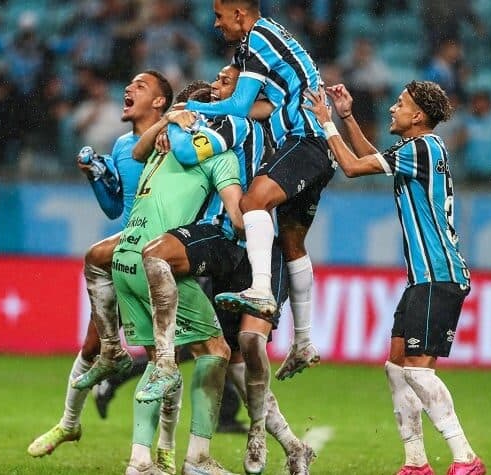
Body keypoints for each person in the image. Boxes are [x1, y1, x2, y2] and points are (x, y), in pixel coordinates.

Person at [133, 65, 315, 474]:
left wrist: (178, 119)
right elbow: (148, 151)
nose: (217, 88)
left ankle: (253, 431)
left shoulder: (241, 127)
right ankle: (289, 444)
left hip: (259, 250)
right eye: (215, 83)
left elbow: (189, 147)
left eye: (225, 83)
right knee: (229, 355)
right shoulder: (231, 127)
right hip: (227, 247)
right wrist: (173, 121)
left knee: (250, 343)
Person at [303, 81, 486, 475]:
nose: (392, 109)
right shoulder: (418, 151)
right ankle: (416, 462)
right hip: (423, 277)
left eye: (400, 104)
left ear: (418, 115)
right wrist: (347, 116)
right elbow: (370, 157)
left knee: (418, 370)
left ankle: (466, 458)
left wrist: (327, 123)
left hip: (438, 275)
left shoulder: (423, 147)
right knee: (398, 367)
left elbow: (352, 168)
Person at [81, 83, 243, 475]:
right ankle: (198, 460)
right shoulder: (220, 153)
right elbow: (237, 217)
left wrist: (169, 120)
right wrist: (254, 229)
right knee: (216, 351)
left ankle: (140, 461)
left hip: (125, 261)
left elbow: (137, 151)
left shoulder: (158, 148)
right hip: (158, 263)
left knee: (158, 360)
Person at [185, 0, 336, 381]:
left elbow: (238, 103)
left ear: (239, 13)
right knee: (292, 242)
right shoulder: (267, 40)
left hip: (305, 140)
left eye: (220, 16)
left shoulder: (257, 40)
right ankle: (303, 342)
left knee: (254, 200)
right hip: (317, 146)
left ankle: (262, 291)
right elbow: (261, 107)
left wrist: (185, 108)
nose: (215, 24)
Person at [26, 70, 174, 458]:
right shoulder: (124, 145)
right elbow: (114, 209)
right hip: (124, 255)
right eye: (129, 85)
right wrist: (96, 177)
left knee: (165, 357)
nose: (129, 89)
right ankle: (69, 424)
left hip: (161, 257)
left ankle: (162, 452)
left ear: (160, 102)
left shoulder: (174, 141)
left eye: (141, 87)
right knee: (94, 346)